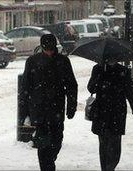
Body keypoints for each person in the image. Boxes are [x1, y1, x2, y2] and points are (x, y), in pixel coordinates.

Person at [20, 34, 78, 171]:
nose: (49, 52)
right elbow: (25, 87)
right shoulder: (32, 61)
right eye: (47, 49)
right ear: (42, 47)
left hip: (56, 109)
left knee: (57, 141)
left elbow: (71, 85)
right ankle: (47, 167)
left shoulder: (63, 61)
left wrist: (71, 106)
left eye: (51, 49)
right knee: (43, 143)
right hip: (39, 110)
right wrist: (24, 112)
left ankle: (48, 163)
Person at [87, 61, 133, 171]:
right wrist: (99, 77)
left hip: (117, 112)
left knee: (115, 145)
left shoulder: (123, 71)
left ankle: (110, 167)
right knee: (104, 144)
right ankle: (105, 168)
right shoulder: (98, 69)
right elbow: (91, 88)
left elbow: (129, 89)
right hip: (101, 112)